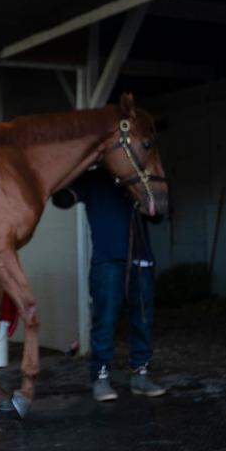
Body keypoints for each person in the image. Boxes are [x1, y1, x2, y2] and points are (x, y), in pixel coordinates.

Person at [53, 169, 166, 402]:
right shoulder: (93, 178)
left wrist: (152, 201)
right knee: (104, 320)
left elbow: (158, 215)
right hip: (108, 259)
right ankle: (101, 377)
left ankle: (141, 375)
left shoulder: (139, 177)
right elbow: (61, 200)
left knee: (143, 320)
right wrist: (66, 168)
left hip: (141, 256)